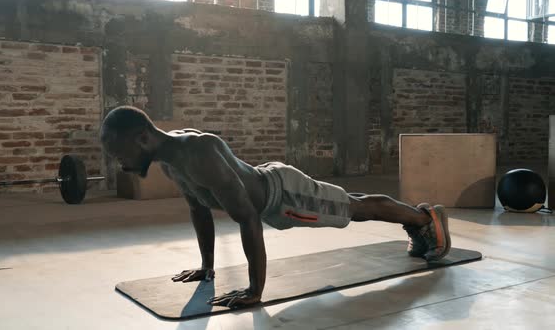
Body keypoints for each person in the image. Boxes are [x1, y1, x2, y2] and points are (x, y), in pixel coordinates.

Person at [100, 106, 451, 308]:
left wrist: (255, 291)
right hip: (270, 188)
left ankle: (425, 217)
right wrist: (207, 268)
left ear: (142, 138)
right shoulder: (169, 160)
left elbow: (248, 218)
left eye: (121, 155)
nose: (121, 164)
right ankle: (417, 220)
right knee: (352, 202)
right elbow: (199, 210)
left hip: (284, 198)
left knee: (353, 208)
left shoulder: (198, 153)